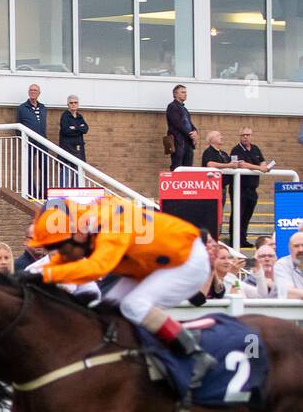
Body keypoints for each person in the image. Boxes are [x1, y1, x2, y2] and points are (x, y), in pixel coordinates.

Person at [26, 197, 216, 393]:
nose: (61, 253)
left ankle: (194, 354)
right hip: (156, 264)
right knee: (108, 307)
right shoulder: (87, 226)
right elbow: (65, 259)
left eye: (61, 246)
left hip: (187, 260)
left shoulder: (110, 226)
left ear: (77, 231)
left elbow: (97, 268)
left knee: (134, 305)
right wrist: (29, 275)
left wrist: (46, 274)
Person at [229, 127, 269, 246]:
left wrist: (264, 165)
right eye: (243, 135)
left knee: (247, 215)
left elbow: (262, 161)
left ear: (251, 136)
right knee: (238, 214)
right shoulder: (236, 149)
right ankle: (235, 240)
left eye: (248, 135)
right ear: (240, 136)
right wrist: (260, 168)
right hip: (240, 188)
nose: (245, 137)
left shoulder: (255, 148)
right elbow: (241, 164)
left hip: (252, 189)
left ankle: (243, 240)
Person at [201, 130, 236, 239]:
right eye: (218, 135)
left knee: (220, 213)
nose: (221, 137)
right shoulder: (208, 152)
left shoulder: (224, 153)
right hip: (212, 188)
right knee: (214, 213)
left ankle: (217, 234)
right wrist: (228, 165)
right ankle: (212, 235)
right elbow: (210, 164)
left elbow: (231, 164)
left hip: (223, 187)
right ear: (211, 139)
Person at [16, 83, 49, 197]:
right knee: (28, 167)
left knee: (44, 167)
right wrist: (24, 140)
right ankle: (31, 191)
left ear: (39, 93)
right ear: (28, 92)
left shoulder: (43, 107)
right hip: (29, 142)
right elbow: (18, 126)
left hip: (42, 142)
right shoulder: (22, 108)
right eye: (31, 90)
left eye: (35, 90)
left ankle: (43, 193)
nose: (33, 92)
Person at [166, 84, 198, 170]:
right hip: (178, 141)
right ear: (175, 94)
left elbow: (190, 124)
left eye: (186, 92)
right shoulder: (172, 106)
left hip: (187, 142)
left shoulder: (184, 109)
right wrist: (191, 134)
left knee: (188, 167)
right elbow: (178, 124)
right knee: (177, 166)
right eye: (183, 92)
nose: (185, 94)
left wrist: (195, 131)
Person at [273, 229, 303, 299]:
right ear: (289, 249)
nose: (300, 249)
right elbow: (287, 292)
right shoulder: (282, 265)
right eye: (296, 246)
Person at [58, 95, 89, 162]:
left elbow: (85, 129)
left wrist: (74, 128)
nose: (73, 104)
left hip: (78, 148)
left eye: (75, 102)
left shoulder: (79, 116)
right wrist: (79, 128)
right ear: (68, 105)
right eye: (71, 103)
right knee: (66, 170)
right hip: (68, 148)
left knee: (79, 170)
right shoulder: (65, 116)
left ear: (78, 104)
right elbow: (66, 131)